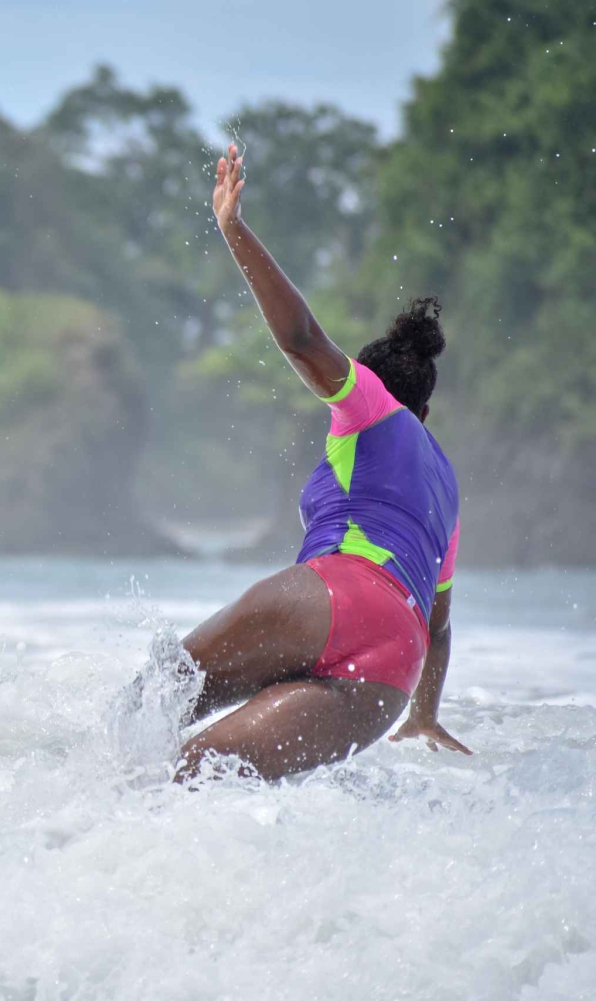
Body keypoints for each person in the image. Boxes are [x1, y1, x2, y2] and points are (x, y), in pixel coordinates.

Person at [172, 144, 471, 783]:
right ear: (426, 412)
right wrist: (422, 715)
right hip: (393, 670)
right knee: (198, 777)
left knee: (157, 699)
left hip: (338, 595)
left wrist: (233, 229)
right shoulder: (443, 485)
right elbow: (439, 626)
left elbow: (302, 338)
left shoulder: (369, 403)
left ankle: (49, 820)